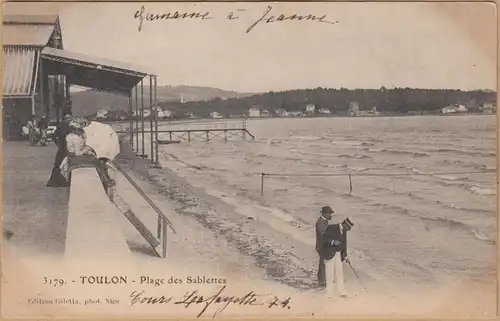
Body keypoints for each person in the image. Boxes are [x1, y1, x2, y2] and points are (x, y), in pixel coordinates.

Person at [320, 217, 355, 297]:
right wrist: (332, 242)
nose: (349, 229)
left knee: (339, 273)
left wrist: (345, 256)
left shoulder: (344, 231)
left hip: (337, 253)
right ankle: (329, 293)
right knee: (330, 274)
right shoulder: (332, 227)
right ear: (345, 224)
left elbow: (344, 244)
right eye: (349, 227)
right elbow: (324, 238)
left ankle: (341, 291)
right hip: (328, 253)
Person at [46, 113, 73, 187]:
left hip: (66, 147)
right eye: (67, 118)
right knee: (59, 164)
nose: (68, 120)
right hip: (63, 148)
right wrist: (59, 144)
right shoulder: (63, 126)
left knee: (64, 164)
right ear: (64, 119)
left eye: (69, 118)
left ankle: (62, 180)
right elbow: (54, 136)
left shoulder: (68, 126)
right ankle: (55, 181)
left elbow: (54, 136)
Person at [315, 205, 334, 288]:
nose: (331, 215)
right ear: (325, 214)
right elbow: (324, 235)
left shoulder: (323, 221)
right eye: (330, 213)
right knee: (323, 264)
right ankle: (322, 282)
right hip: (322, 246)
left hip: (322, 245)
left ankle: (322, 280)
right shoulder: (321, 222)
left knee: (323, 263)